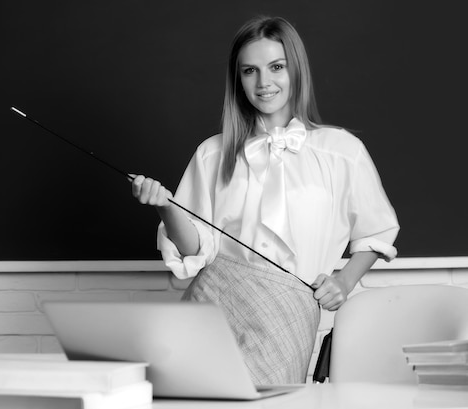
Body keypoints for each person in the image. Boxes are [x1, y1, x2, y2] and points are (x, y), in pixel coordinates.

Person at [130, 15, 399, 385]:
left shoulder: (342, 152)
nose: (264, 82)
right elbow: (196, 248)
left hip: (288, 316)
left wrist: (345, 281)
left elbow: (376, 229)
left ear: (296, 70)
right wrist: (166, 206)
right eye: (249, 71)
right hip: (211, 308)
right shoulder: (212, 154)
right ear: (237, 80)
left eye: (276, 67)